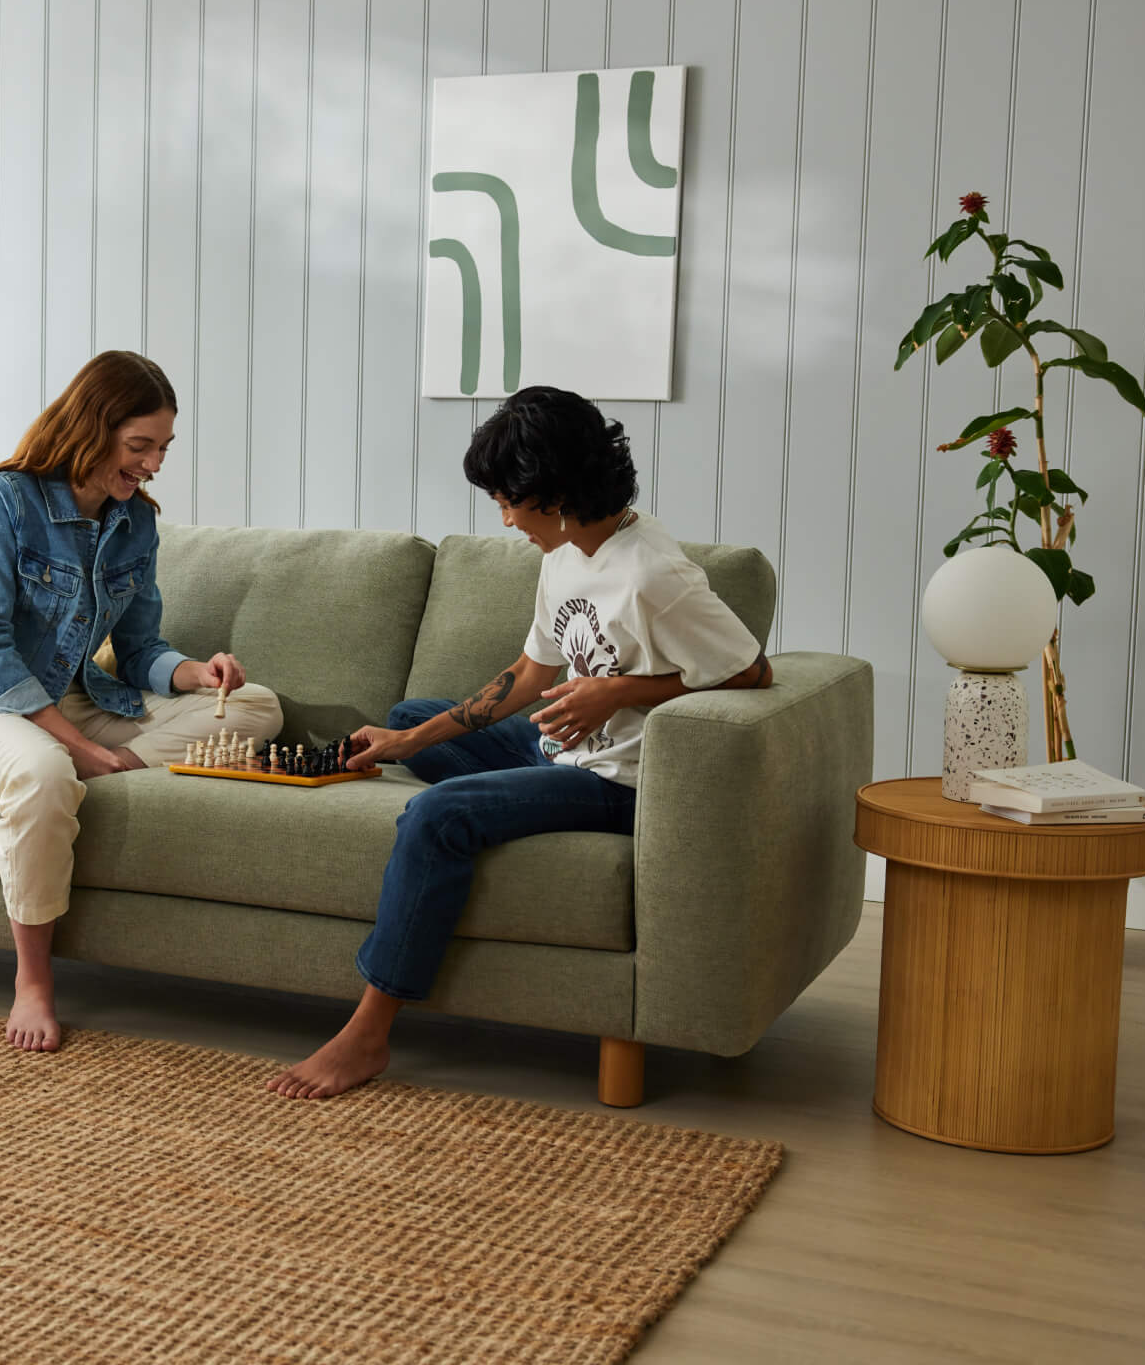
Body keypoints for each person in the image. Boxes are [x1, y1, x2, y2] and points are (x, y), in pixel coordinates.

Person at [267, 386, 772, 1100]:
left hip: (619, 783)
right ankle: (442, 771)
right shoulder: (567, 549)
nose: (505, 519)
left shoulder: (656, 576)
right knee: (412, 712)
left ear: (558, 490)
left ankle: (369, 1032)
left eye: (511, 500)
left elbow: (752, 673)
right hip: (557, 750)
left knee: (436, 816)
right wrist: (411, 739)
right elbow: (532, 672)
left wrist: (621, 690)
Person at [0, 350, 282, 1054]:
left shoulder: (134, 524)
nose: (151, 465)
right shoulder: (11, 502)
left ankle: (79, 771)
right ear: (93, 427)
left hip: (65, 698)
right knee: (41, 771)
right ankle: (32, 982)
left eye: (162, 449)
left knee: (258, 708)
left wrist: (199, 675)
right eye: (139, 446)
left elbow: (142, 648)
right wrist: (76, 747)